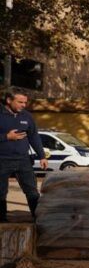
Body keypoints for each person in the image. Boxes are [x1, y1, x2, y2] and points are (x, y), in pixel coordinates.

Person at [0, 88, 48, 222]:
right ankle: (2, 221)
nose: (23, 105)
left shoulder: (27, 116)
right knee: (1, 193)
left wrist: (42, 156)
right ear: (9, 100)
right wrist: (6, 137)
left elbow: (34, 136)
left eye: (25, 102)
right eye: (20, 102)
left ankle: (38, 219)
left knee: (32, 191)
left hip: (23, 160)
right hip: (2, 160)